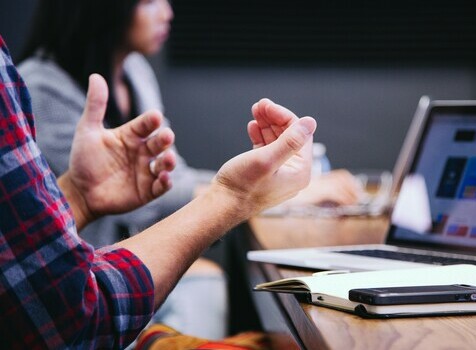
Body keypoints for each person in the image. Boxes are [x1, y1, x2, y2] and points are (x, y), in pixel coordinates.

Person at [0, 33, 317, 348]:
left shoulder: (135, 70)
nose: (166, 9)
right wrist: (234, 197)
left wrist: (78, 197)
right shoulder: (40, 85)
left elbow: (19, 246)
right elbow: (71, 319)